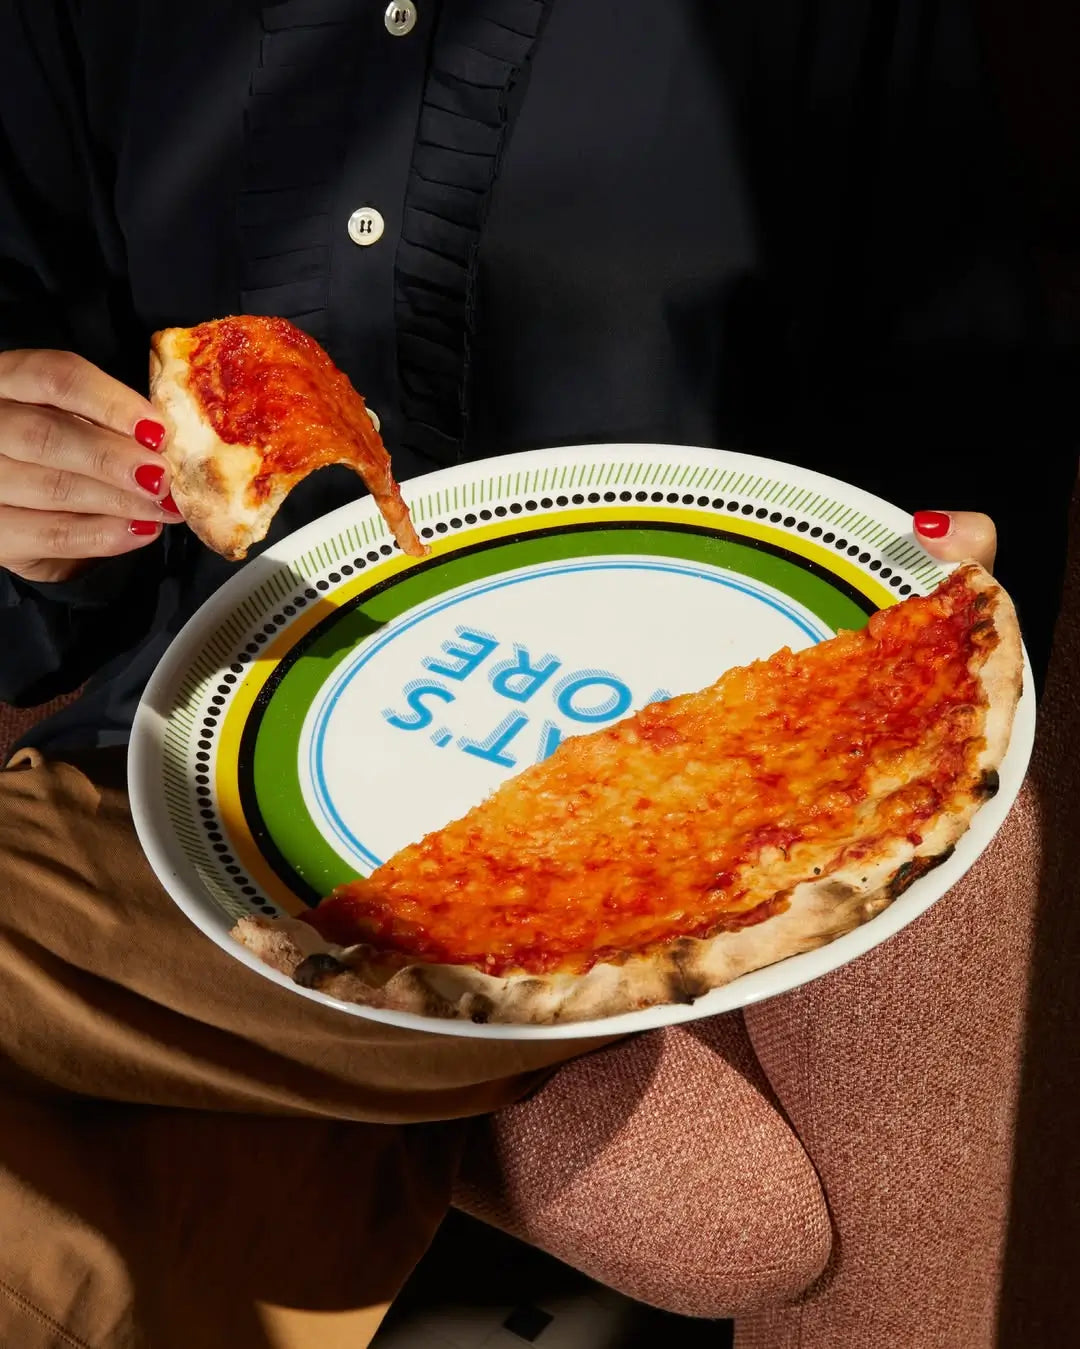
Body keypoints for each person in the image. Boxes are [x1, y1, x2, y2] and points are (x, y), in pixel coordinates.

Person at [0, 3, 1074, 1347]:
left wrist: (941, 568)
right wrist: (35, 507)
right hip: (183, 776)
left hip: (674, 804)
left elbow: (960, 401)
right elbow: (38, 607)